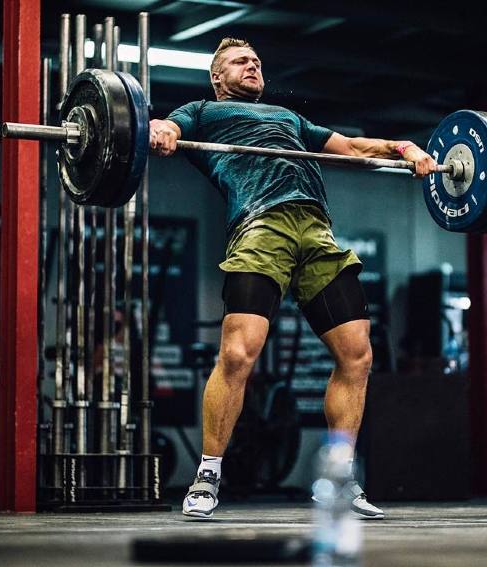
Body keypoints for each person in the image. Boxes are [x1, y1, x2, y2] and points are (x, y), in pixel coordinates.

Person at [149, 38, 437, 519]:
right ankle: (208, 474)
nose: (253, 65)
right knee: (239, 353)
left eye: (258, 61)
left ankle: (339, 478)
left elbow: (351, 149)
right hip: (260, 226)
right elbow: (165, 126)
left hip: (317, 230)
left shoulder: (289, 119)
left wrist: (404, 147)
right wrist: (158, 129)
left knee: (357, 355)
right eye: (242, 61)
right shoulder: (200, 111)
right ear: (217, 77)